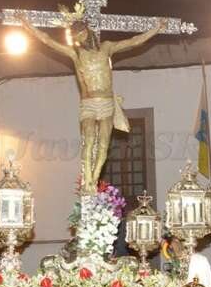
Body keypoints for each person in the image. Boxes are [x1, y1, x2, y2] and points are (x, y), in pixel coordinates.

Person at [18, 11, 166, 193]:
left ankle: (94, 180)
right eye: (75, 36)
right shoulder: (75, 53)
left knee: (104, 144)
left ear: (87, 31)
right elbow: (48, 40)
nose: (78, 39)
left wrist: (156, 29)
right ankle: (87, 180)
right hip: (88, 103)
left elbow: (133, 41)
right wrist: (27, 25)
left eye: (80, 34)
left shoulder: (107, 47)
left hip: (106, 102)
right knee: (88, 141)